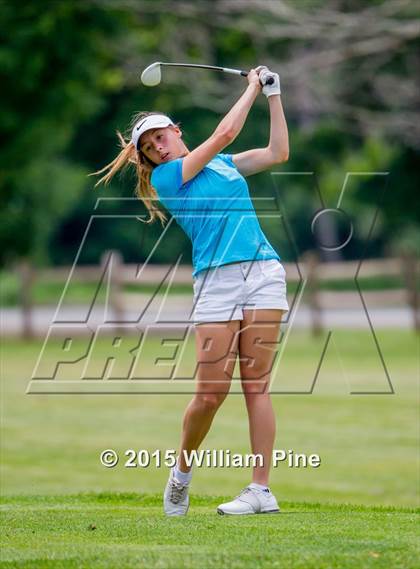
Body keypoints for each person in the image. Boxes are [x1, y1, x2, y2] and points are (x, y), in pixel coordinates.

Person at [93, 66, 289, 516]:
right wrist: (253, 87)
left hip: (262, 272)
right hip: (216, 283)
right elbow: (223, 133)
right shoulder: (169, 179)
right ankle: (181, 474)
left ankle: (261, 490)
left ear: (176, 131)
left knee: (256, 385)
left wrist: (274, 95)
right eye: (148, 147)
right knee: (209, 395)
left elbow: (278, 152)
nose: (158, 148)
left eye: (161, 137)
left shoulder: (222, 165)